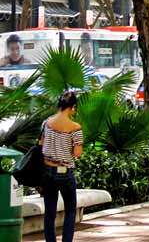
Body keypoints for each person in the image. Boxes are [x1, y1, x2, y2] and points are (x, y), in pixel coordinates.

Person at [41, 91, 83, 242]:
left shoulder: (47, 123)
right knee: (71, 210)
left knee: (50, 212)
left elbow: (41, 144)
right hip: (65, 172)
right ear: (72, 107)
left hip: (48, 171)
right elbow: (77, 153)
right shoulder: (75, 127)